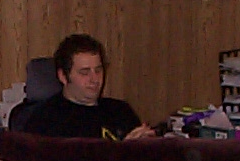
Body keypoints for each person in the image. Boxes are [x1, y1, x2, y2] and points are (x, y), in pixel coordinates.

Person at [23, 34, 154, 140]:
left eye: (98, 70)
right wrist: (123, 151)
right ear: (63, 76)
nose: (94, 79)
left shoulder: (121, 111)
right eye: (84, 72)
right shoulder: (44, 121)